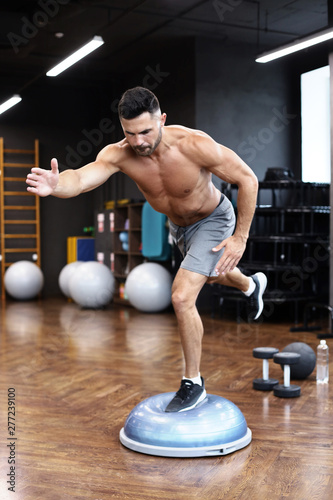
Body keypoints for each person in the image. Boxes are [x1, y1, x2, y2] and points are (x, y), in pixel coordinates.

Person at [26, 86, 267, 413]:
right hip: (178, 226)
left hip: (213, 218)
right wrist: (57, 185)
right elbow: (81, 179)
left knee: (182, 296)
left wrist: (239, 237)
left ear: (162, 119)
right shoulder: (120, 153)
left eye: (145, 131)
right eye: (129, 133)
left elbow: (248, 179)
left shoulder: (194, 145)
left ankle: (193, 383)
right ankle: (251, 284)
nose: (138, 140)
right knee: (210, 276)